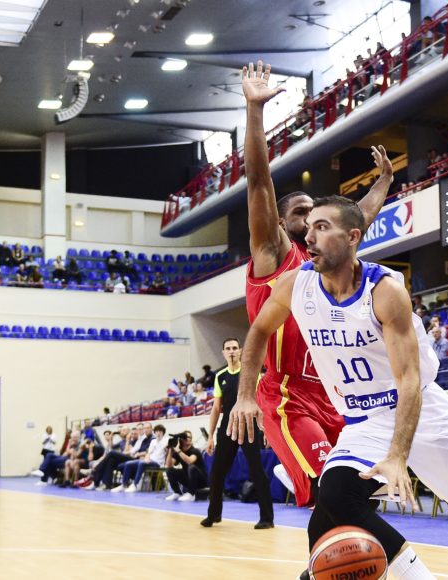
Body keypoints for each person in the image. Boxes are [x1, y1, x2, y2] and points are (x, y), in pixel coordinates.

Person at [229, 195, 448, 579]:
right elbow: (259, 331)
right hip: (366, 419)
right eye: (309, 227)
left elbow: (409, 382)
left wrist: (398, 456)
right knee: (333, 500)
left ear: (352, 237)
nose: (310, 236)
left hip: (421, 411)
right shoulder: (296, 285)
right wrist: (246, 395)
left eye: (322, 226)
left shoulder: (384, 291)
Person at [241, 62, 393, 510]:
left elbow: (360, 216)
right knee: (335, 493)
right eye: (300, 214)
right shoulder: (275, 253)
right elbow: (258, 182)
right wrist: (255, 111)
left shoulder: (325, 264)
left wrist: (385, 180)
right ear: (281, 222)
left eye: (316, 214)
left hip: (335, 394)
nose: (310, 220)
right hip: (289, 394)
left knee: (363, 495)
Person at [203, 338, 273, 529]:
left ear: (241, 351)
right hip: (227, 426)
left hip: (249, 424)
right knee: (217, 472)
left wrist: (267, 430)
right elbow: (216, 409)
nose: (232, 351)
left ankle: (267, 518)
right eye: (228, 348)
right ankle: (213, 515)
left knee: (257, 470)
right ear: (223, 353)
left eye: (235, 348)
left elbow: (263, 402)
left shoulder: (251, 373)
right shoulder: (220, 376)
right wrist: (210, 436)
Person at [118, 424, 167, 492]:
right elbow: (148, 453)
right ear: (155, 432)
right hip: (150, 460)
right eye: (157, 431)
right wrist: (147, 458)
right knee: (128, 463)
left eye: (160, 431)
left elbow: (168, 451)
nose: (158, 433)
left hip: (158, 463)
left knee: (141, 463)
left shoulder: (166, 440)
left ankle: (135, 485)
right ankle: (124, 485)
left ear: (163, 432)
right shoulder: (153, 441)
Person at [164, 431, 208, 502]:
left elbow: (190, 461)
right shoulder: (178, 451)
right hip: (189, 479)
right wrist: (170, 451)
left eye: (189, 437)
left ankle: (191, 494)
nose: (188, 439)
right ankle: (177, 492)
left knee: (191, 467)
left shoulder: (195, 450)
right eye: (185, 437)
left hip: (201, 480)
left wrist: (178, 451)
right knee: (169, 470)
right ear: (181, 439)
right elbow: (168, 465)